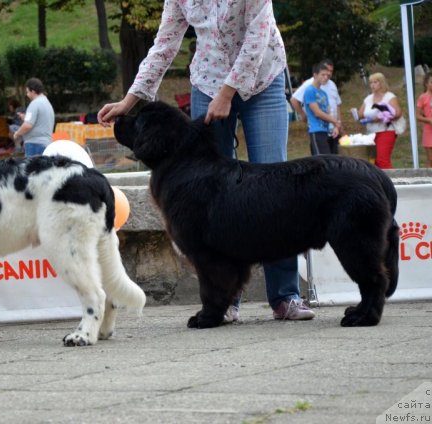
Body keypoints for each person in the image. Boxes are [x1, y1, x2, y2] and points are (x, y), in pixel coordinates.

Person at [98, 0, 315, 322]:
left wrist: (228, 94)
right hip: (207, 81)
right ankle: (224, 301)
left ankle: (286, 296)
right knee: (210, 200)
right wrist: (131, 100)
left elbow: (257, 36)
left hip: (263, 79)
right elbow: (164, 46)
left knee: (275, 189)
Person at [290, 59, 342, 153]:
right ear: (315, 75)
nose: (326, 77)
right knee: (322, 163)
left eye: (328, 74)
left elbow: (329, 111)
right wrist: (303, 115)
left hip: (328, 131)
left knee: (333, 162)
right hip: (316, 131)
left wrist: (336, 126)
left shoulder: (324, 93)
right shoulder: (309, 89)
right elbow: (317, 113)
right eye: (323, 74)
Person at [358, 72, 403, 169]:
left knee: (382, 159)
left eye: (375, 82)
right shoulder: (368, 99)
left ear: (381, 83)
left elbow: (398, 113)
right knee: (372, 161)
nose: (372, 85)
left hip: (386, 131)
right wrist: (363, 118)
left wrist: (382, 118)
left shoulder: (389, 96)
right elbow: (360, 114)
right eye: (371, 83)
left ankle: (393, 181)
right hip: (371, 133)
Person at [13, 78, 55, 157]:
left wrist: (17, 134)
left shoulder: (34, 104)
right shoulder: (46, 102)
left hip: (34, 145)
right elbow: (39, 121)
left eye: (28, 92)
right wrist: (25, 118)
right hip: (45, 143)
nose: (27, 94)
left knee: (31, 169)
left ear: (33, 91)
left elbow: (27, 125)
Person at [416, 72, 432, 168]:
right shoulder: (423, 97)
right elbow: (417, 116)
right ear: (426, 83)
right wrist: (428, 120)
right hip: (428, 130)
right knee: (430, 158)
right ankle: (428, 179)